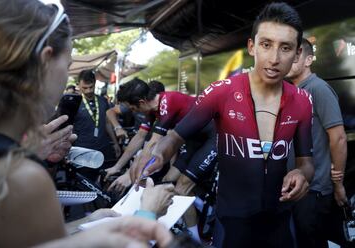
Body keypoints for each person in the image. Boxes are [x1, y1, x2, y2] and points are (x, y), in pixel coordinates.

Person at [131, 2, 315, 247]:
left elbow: (307, 162)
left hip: (279, 222)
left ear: (297, 54)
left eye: (285, 48)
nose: (274, 58)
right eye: (266, 45)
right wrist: (155, 155)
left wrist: (302, 174)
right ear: (252, 47)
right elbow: (175, 137)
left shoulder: (302, 101)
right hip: (231, 223)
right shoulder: (222, 92)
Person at [0, 0, 175, 247]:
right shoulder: (20, 179)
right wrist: (147, 214)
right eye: (67, 67)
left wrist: (79, 227)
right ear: (45, 61)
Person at [110, 78, 217, 242]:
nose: (133, 112)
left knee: (181, 189)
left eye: (133, 108)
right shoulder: (151, 110)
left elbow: (153, 144)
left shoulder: (168, 101)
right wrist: (118, 167)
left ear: (141, 102)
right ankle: (203, 209)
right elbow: (140, 138)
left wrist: (131, 175)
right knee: (168, 181)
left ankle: (196, 240)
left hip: (213, 137)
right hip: (194, 140)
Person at [286, 38, 348, 248]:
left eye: (296, 56)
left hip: (315, 190)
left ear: (308, 60)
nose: (288, 60)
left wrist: (337, 184)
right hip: (296, 187)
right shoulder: (292, 91)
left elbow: (338, 139)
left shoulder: (318, 88)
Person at [72, 69, 121, 181]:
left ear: (95, 83)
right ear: (78, 85)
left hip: (103, 149)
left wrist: (115, 143)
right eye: (85, 88)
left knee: (106, 180)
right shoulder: (74, 102)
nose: (88, 91)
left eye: (91, 87)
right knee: (85, 183)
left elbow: (107, 123)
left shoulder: (103, 101)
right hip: (82, 150)